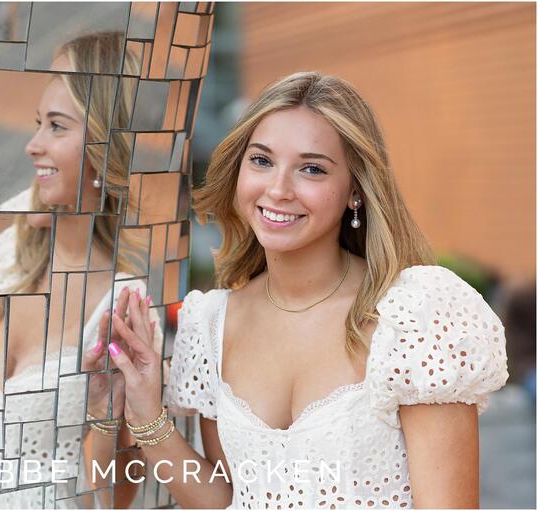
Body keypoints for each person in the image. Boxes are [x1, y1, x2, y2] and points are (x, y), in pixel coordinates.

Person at [103, 71, 509, 508]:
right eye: (261, 161)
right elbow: (230, 500)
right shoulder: (211, 325)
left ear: (355, 189)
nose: (278, 189)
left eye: (311, 169)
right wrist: (145, 414)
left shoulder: (414, 316)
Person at [0, 32, 159, 508]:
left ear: (106, 147)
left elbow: (115, 497)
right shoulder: (7, 252)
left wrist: (105, 409)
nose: (32, 145)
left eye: (57, 127)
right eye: (38, 123)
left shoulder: (123, 306)